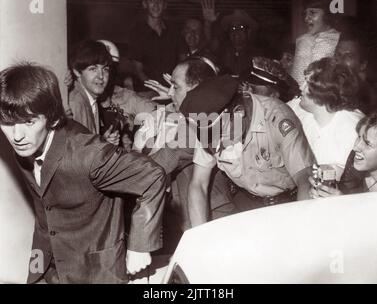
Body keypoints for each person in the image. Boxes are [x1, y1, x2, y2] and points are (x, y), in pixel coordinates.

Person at [0, 63, 166, 283]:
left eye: (29, 122)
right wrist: (35, 274)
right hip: (53, 270)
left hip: (98, 273)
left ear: (49, 116)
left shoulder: (88, 155)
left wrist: (140, 246)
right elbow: (44, 220)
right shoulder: (25, 149)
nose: (17, 135)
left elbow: (153, 176)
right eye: (7, 123)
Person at [181, 74, 315, 227]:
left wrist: (303, 227)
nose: (217, 142)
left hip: (288, 204)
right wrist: (200, 235)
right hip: (246, 204)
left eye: (221, 134)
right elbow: (198, 184)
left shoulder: (276, 117)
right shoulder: (210, 124)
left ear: (239, 113)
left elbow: (305, 178)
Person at [136, 57, 235, 229]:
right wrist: (175, 100)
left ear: (196, 89)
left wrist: (121, 172)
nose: (169, 92)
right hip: (190, 208)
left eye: (175, 86)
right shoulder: (193, 115)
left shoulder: (199, 122)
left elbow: (166, 159)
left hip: (212, 211)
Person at [69, 39, 156, 151]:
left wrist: (104, 142)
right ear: (77, 71)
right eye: (93, 69)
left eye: (106, 69)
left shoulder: (97, 98)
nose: (101, 76)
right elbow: (78, 154)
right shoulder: (76, 103)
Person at [291, 57, 364, 181]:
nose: (301, 87)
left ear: (324, 93)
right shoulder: (297, 108)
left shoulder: (356, 129)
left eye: (308, 84)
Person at [310, 112, 377, 197]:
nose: (355, 148)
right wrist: (325, 191)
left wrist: (343, 201)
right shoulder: (354, 162)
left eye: (368, 144)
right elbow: (346, 192)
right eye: (359, 137)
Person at [128, 0, 179, 93]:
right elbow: (138, 70)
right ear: (144, 4)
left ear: (165, 5)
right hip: (146, 95)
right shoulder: (136, 33)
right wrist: (157, 90)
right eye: (152, 0)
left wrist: (176, 89)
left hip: (172, 94)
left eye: (159, 0)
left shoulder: (174, 31)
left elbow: (183, 62)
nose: (156, 4)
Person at [291, 0, 340, 91]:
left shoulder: (339, 41)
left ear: (327, 14)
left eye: (312, 12)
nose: (306, 18)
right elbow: (296, 81)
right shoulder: (302, 40)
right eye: (305, 13)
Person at [334, 32, 377, 115]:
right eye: (338, 55)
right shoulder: (335, 86)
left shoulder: (369, 97)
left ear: (363, 65)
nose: (340, 60)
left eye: (348, 56)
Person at [219, 9, 259, 77]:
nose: (236, 31)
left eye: (241, 27)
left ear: (248, 32)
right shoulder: (220, 52)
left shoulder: (257, 56)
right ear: (229, 33)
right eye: (233, 28)